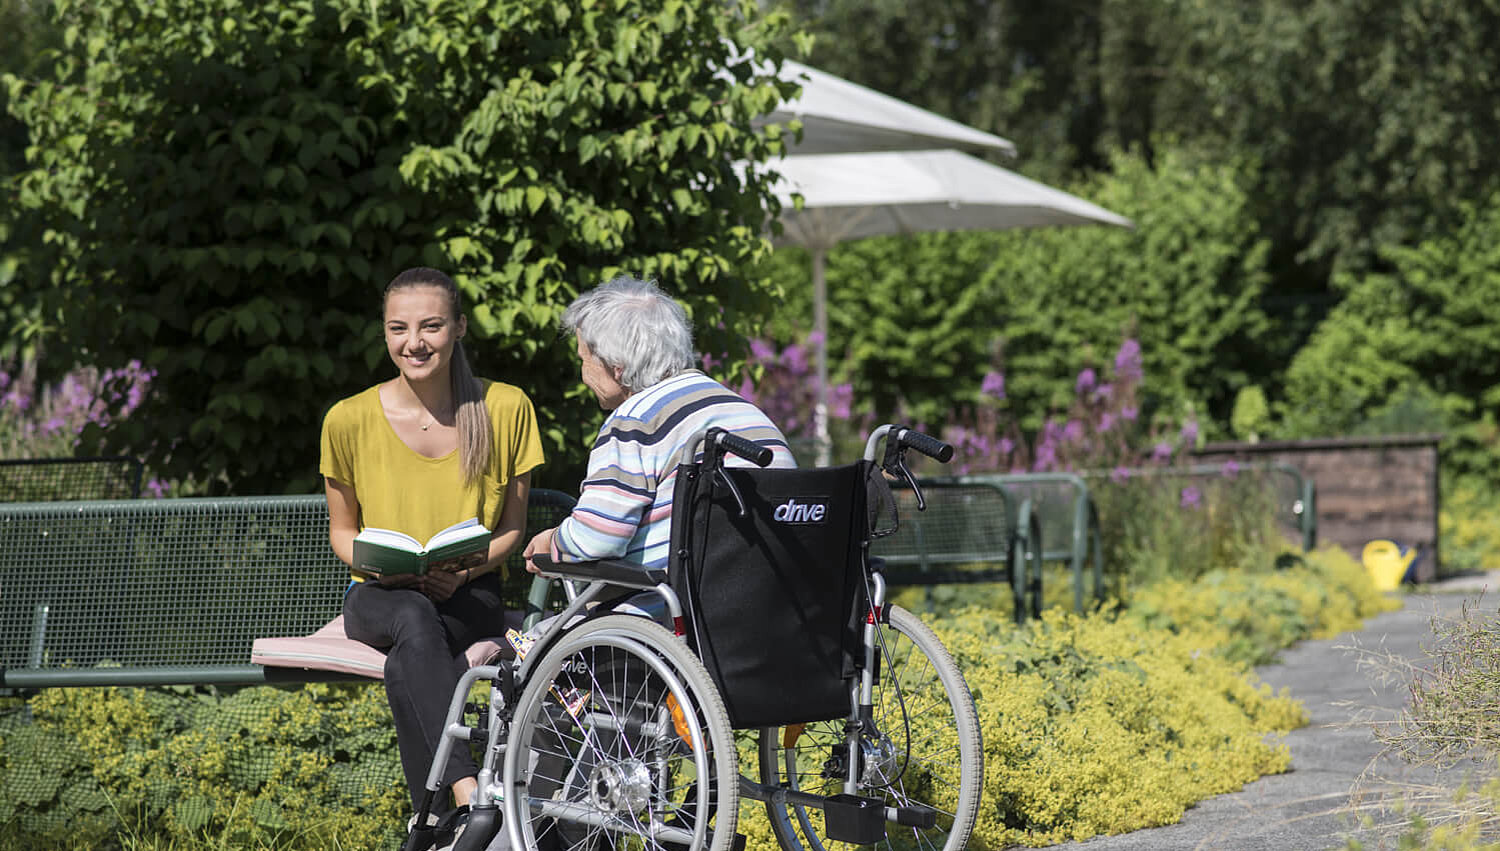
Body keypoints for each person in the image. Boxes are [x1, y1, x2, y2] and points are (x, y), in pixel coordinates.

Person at [320, 267, 544, 840]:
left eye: (431, 326)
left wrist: (464, 569)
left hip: (469, 594)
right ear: (384, 333)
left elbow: (512, 529)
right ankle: (472, 793)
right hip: (377, 595)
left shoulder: (507, 407)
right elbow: (342, 534)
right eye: (398, 328)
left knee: (408, 658)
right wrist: (380, 567)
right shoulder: (347, 419)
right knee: (412, 617)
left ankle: (435, 823)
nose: (414, 342)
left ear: (459, 328)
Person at [524, 275, 795, 578]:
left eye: (584, 360)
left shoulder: (635, 421)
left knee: (536, 628)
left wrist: (552, 541)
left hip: (670, 611)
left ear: (616, 366)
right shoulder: (747, 412)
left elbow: (597, 538)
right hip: (765, 606)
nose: (583, 375)